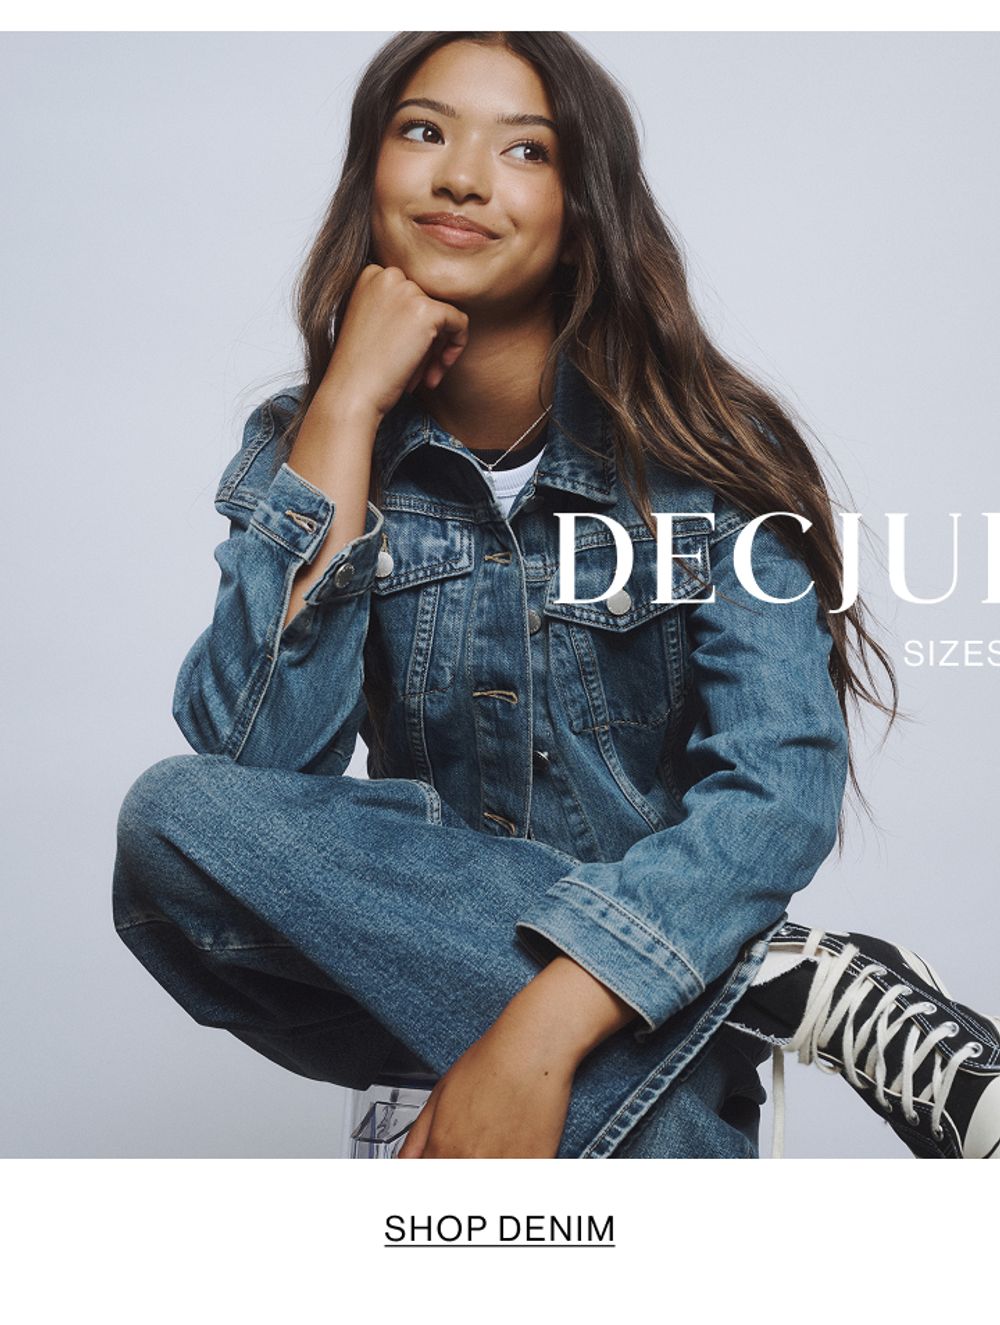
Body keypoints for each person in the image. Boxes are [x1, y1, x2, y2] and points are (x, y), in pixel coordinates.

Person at [112, 31, 1000, 1159]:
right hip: (458, 1024)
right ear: (369, 178)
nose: (462, 176)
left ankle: (688, 999)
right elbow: (255, 775)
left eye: (523, 150)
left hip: (625, 1024)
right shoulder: (310, 448)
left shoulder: (706, 454)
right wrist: (343, 409)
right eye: (422, 130)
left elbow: (779, 786)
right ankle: (762, 982)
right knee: (173, 823)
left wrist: (547, 1021)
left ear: (584, 209)